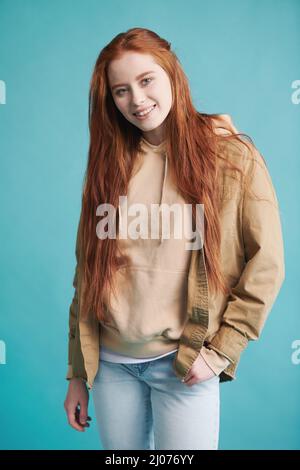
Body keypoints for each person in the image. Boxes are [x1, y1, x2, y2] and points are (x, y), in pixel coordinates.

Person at [63, 27, 285, 450]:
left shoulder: (231, 157)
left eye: (146, 80)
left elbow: (267, 263)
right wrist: (78, 372)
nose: (137, 100)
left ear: (171, 75)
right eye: (121, 90)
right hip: (112, 366)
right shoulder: (108, 165)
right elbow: (87, 272)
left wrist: (221, 351)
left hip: (182, 364)